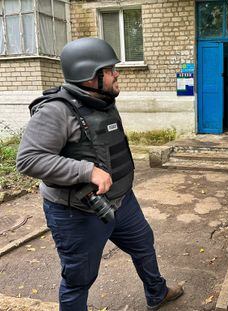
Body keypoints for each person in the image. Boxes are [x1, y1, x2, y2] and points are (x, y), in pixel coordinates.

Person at [16, 37, 183, 311]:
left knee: (144, 245)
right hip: (77, 213)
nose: (117, 73)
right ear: (91, 76)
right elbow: (28, 160)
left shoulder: (102, 101)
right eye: (111, 68)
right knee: (78, 279)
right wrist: (87, 170)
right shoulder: (56, 110)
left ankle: (157, 292)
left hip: (122, 201)